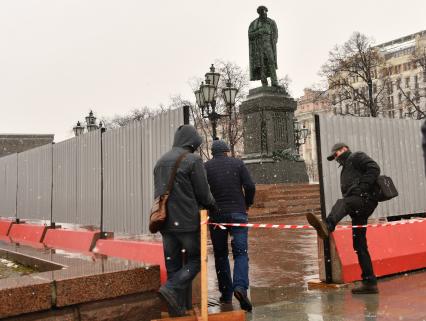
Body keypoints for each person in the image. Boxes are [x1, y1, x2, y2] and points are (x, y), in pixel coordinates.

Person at [154, 125, 216, 317]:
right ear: (192, 141)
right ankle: (171, 288)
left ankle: (177, 311)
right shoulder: (192, 160)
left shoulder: (160, 161)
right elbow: (203, 193)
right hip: (187, 221)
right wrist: (213, 206)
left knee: (173, 265)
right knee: (197, 259)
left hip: (164, 222)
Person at [306, 143, 381, 294]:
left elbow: (374, 168)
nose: (335, 158)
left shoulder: (356, 156)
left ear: (344, 150)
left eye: (336, 155)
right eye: (333, 157)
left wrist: (362, 187)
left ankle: (327, 225)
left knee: (343, 203)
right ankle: (370, 282)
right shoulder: (347, 165)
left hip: (363, 200)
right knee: (359, 245)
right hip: (358, 206)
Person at [204, 140, 256, 312]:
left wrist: (210, 207)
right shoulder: (238, 163)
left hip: (216, 217)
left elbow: (203, 191)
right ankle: (240, 287)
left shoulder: (206, 167)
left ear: (212, 152)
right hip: (238, 214)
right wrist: (247, 202)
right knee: (241, 253)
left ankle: (226, 294)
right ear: (227, 151)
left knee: (220, 255)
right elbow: (249, 186)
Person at [248, 5, 279, 87]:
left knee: (271, 62)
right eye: (262, 11)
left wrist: (273, 42)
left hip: (268, 44)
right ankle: (264, 82)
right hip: (258, 47)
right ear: (259, 13)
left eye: (265, 11)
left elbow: (275, 35)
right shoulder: (254, 24)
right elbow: (250, 35)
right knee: (261, 64)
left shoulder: (271, 22)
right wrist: (259, 32)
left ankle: (274, 82)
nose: (264, 13)